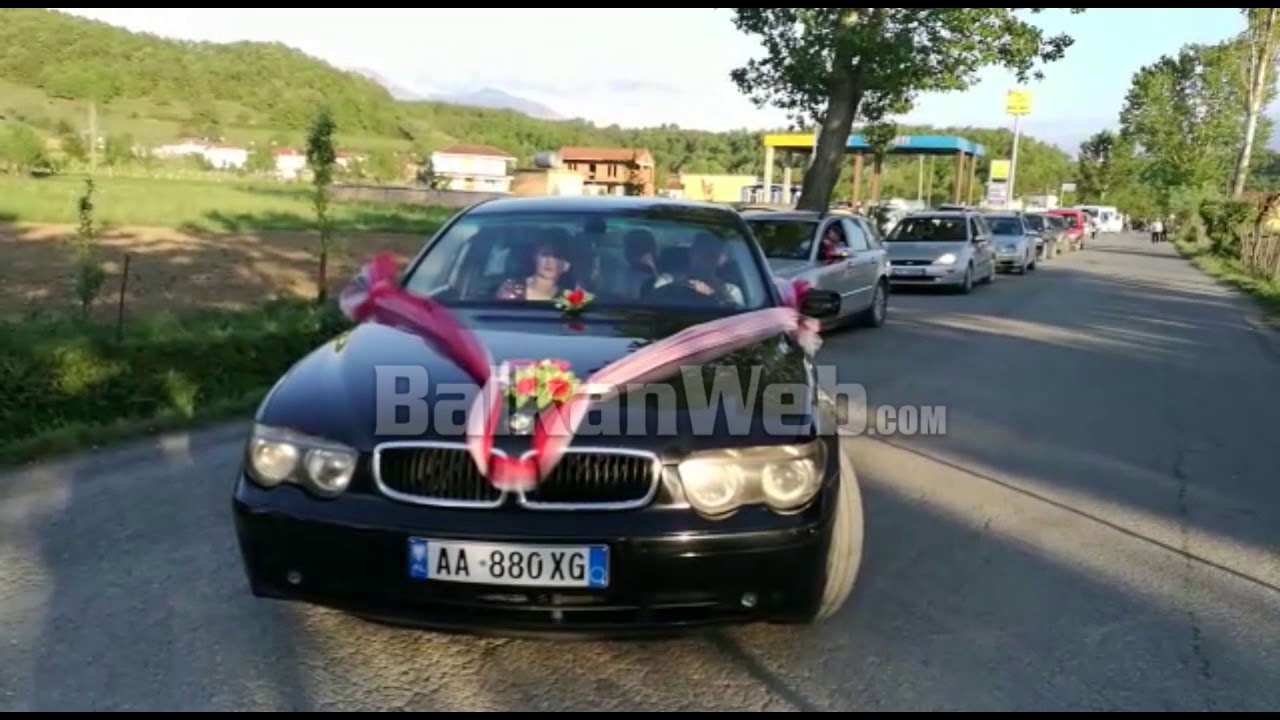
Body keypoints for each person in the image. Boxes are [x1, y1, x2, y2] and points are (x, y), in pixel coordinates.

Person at [495, 229, 573, 301]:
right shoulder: (510, 289)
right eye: (545, 254)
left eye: (557, 256)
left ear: (566, 265)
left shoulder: (570, 299)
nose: (549, 261)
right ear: (535, 257)